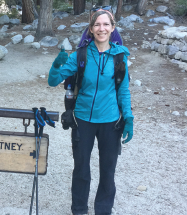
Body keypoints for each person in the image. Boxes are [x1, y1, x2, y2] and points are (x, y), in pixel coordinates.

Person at [48, 7, 134, 215]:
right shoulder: (81, 55)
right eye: (97, 24)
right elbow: (53, 81)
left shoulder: (120, 57)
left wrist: (128, 117)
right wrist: (56, 65)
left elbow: (123, 90)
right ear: (91, 28)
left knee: (107, 171)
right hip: (82, 120)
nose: (101, 28)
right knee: (81, 170)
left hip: (111, 121)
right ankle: (79, 210)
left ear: (113, 28)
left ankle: (103, 210)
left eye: (106, 24)